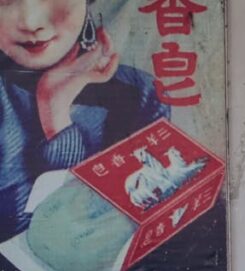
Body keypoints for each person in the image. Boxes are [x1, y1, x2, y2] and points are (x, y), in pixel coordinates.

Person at [0, 0, 169, 242]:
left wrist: (56, 116)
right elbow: (19, 237)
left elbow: (125, 226)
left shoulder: (141, 92)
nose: (31, 22)